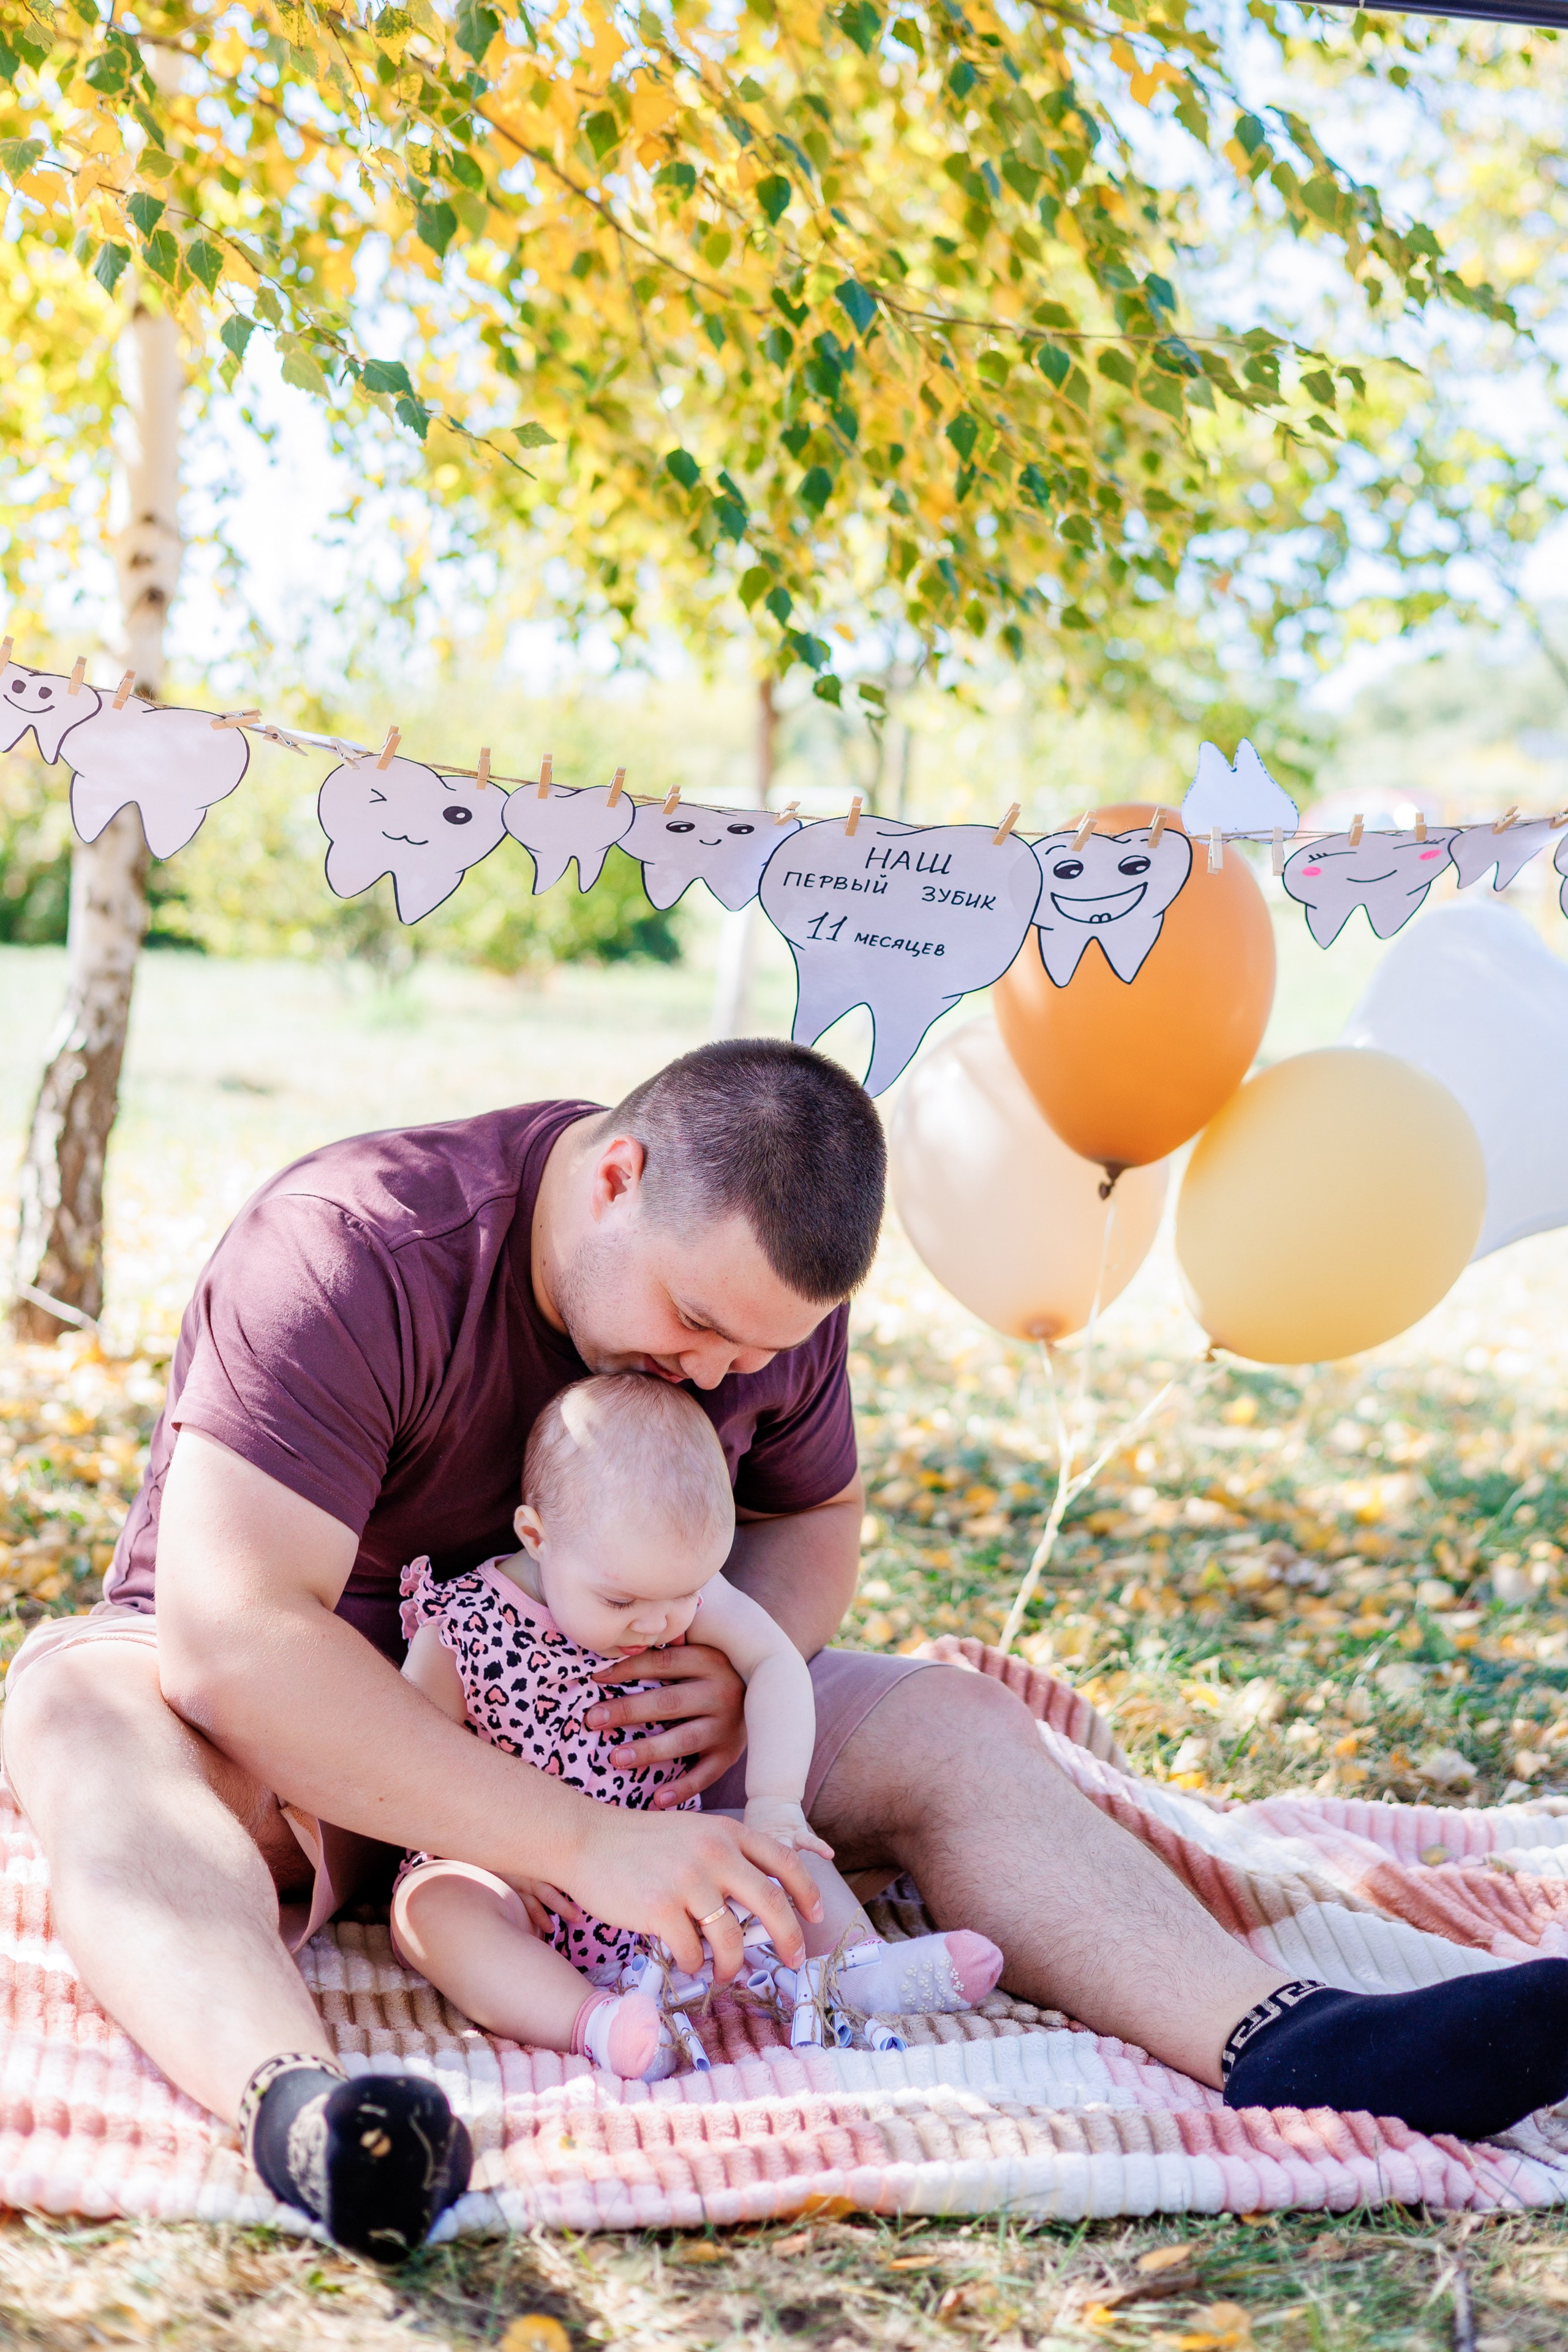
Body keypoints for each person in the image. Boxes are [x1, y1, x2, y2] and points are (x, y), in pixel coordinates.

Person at [5, 1041, 1567, 2259]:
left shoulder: (763, 1301)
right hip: (317, 1709)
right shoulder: (358, 1245)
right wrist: (578, 1841)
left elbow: (811, 1525)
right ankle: (319, 2115)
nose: (719, 1370)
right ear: (614, 1175)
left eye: (750, 1351)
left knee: (947, 1717)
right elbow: (231, 1636)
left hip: (610, 1699)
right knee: (85, 1729)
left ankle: (1283, 2038)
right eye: (693, 1323)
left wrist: (734, 1664)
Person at [390, 1372, 1001, 2082]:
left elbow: (774, 1660)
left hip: (674, 1869)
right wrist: (495, 1849)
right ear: (537, 1534)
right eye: (621, 1600)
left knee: (779, 1850)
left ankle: (855, 1973)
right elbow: (405, 1760)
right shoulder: (462, 1626)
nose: (656, 1623)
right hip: (524, 1883)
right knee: (435, 1907)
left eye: (683, 1596)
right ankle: (595, 2023)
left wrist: (775, 1805)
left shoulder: (667, 1583)